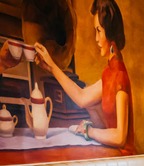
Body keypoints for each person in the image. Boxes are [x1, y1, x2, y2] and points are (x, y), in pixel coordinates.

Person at [34, 0, 135, 155]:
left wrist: (89, 131)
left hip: (124, 160)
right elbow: (82, 98)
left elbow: (120, 137)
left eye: (99, 31)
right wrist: (51, 67)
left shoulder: (119, 75)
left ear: (110, 33)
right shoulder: (109, 73)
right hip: (112, 156)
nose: (96, 38)